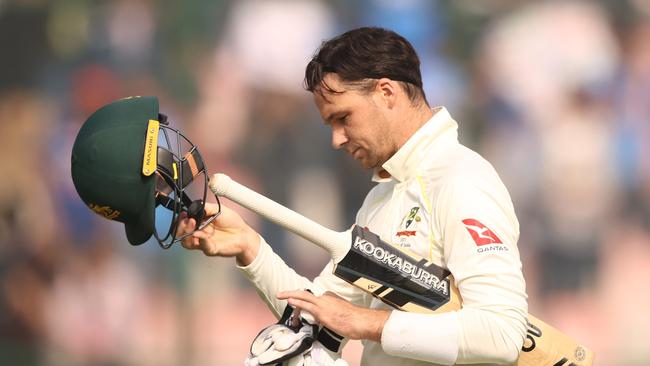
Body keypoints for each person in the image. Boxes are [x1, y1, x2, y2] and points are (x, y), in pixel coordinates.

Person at [178, 27, 528, 365]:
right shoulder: (381, 200)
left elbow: (501, 333)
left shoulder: (461, 179)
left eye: (343, 118)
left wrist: (364, 322)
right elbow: (319, 318)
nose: (337, 139)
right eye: (330, 125)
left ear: (387, 93)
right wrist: (250, 248)